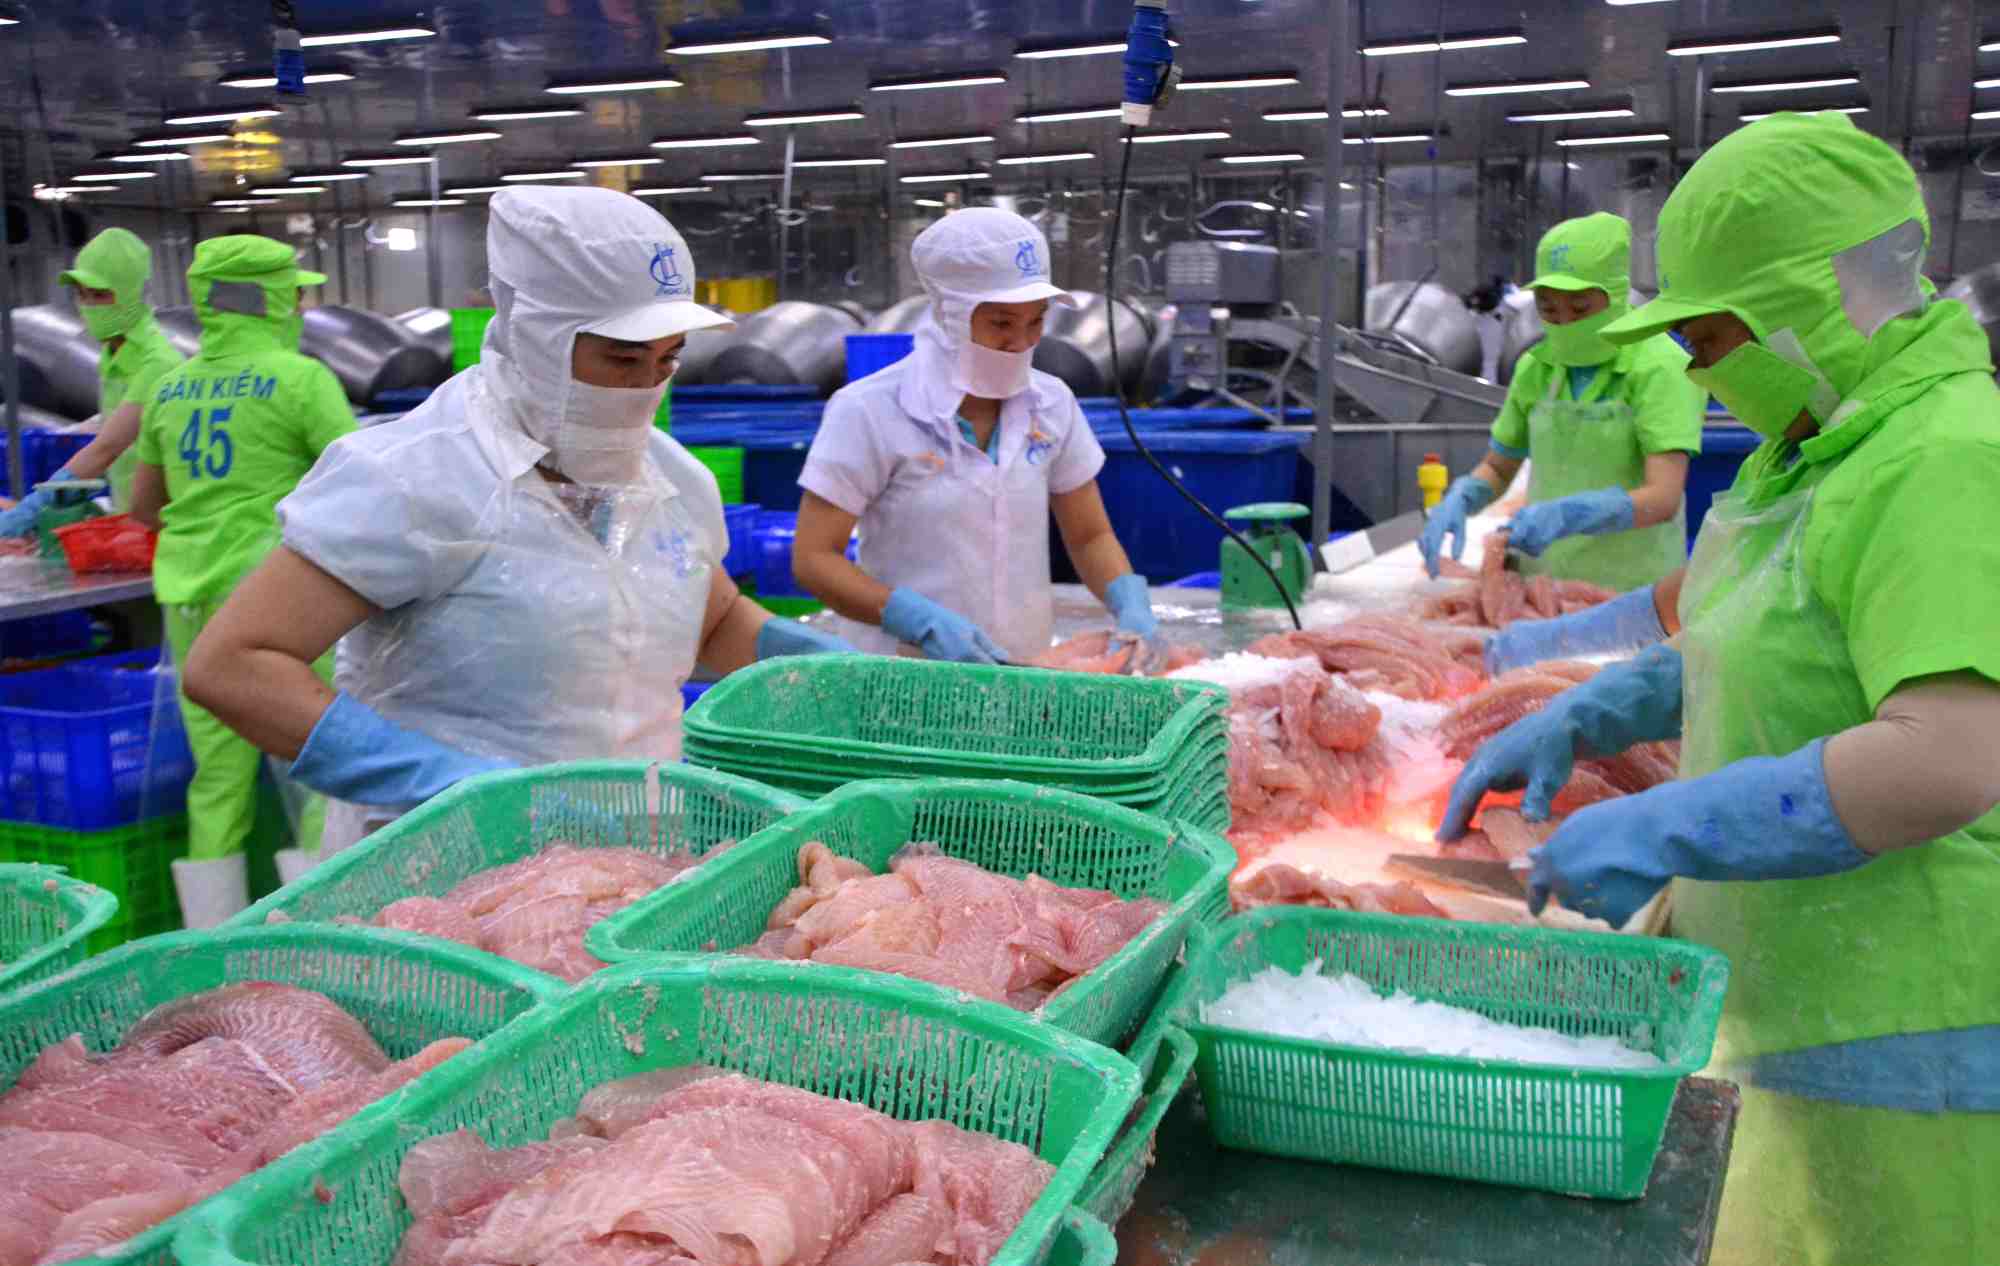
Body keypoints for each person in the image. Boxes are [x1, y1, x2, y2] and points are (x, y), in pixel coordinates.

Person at [1438, 113, 2000, 1265]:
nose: (1697, 373)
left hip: (1911, 1032)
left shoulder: (1941, 458)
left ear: (1810, 304)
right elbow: (1755, 634)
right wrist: (1590, 712)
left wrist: (1667, 824)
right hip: (1789, 995)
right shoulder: (1812, 446)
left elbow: (1946, 757)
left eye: (1706, 338)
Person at [182, 187, 853, 874]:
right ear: (537, 337)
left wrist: (820, 670)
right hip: (447, 872)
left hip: (634, 863)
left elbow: (710, 621)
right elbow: (232, 665)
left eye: (668, 358)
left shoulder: (670, 479)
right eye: (623, 360)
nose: (647, 386)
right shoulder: (415, 477)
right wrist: (456, 789)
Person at [791, 207, 1160, 665]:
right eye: (1001, 323)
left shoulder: (1052, 403)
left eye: (1036, 321)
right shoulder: (869, 410)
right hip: (903, 675)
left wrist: (1129, 602)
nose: (1022, 342)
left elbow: (1089, 536)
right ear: (951, 313)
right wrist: (915, 620)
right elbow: (815, 559)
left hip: (1021, 671)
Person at [129, 235, 356, 929]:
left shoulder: (168, 387)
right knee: (318, 756)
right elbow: (360, 484)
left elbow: (144, 506)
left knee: (218, 778)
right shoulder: (300, 379)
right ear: (271, 298)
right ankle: (317, 934)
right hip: (282, 603)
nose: (302, 306)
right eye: (295, 293)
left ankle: (212, 945)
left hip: (190, 600)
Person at [1419, 212, 1705, 593]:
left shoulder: (1660, 367)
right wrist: (1464, 496)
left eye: (1580, 308)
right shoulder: (1536, 368)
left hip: (1635, 591)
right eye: (1549, 309)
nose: (1565, 323)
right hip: (1544, 585)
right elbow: (1499, 468)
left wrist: (1569, 514)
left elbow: (1663, 497)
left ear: (1616, 295)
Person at [0, 228, 185, 534]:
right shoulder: (112, 357)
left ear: (130, 294)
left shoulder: (158, 363)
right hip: (134, 520)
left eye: (100, 295)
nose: (88, 306)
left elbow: (108, 447)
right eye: (81, 295)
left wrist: (32, 509)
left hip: (166, 524)